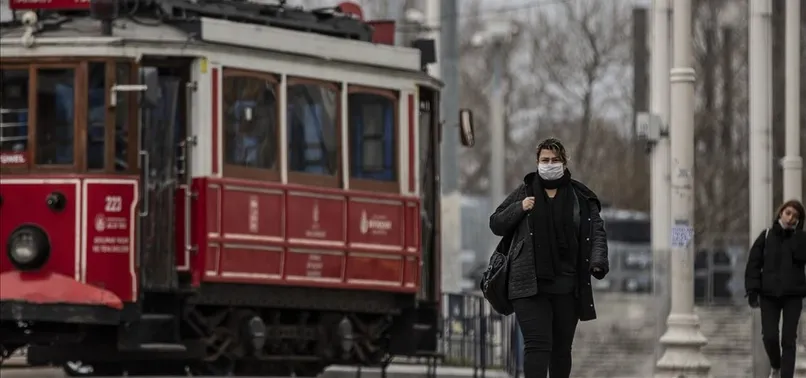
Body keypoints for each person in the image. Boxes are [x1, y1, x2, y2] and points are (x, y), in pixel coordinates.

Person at [488, 137, 609, 378]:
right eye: (545, 160)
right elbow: (496, 223)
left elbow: (597, 232)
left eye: (555, 160)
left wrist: (598, 262)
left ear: (564, 162)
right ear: (537, 162)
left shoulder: (581, 197)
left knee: (561, 350)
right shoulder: (525, 191)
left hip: (568, 287)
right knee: (537, 346)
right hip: (528, 285)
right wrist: (520, 207)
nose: (550, 164)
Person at [745, 199, 806, 378]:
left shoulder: (801, 239)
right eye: (788, 213)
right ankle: (776, 365)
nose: (790, 218)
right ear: (781, 213)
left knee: (789, 339)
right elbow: (753, 264)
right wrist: (752, 291)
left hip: (793, 296)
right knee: (769, 336)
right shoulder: (766, 236)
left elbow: (802, 257)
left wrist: (796, 235)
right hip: (769, 295)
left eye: (795, 216)